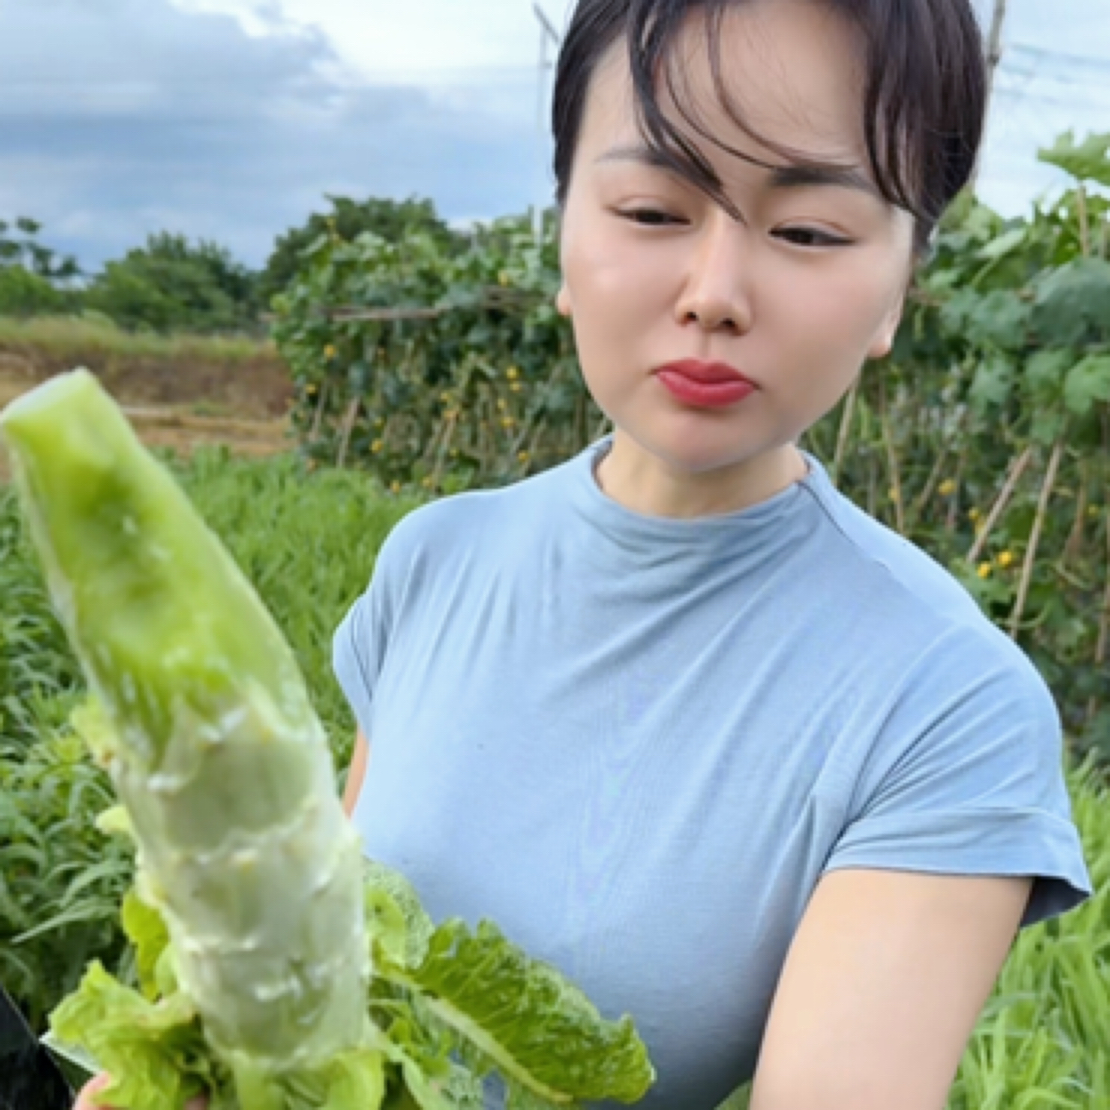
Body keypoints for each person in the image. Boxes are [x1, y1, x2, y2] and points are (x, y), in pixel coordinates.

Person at [75, 0, 1095, 1108]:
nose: (714, 294)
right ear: (564, 228)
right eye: (653, 209)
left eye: (807, 232)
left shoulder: (947, 703)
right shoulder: (432, 563)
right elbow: (337, 950)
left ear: (898, 285)